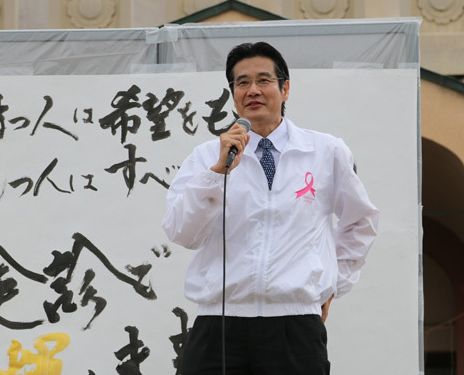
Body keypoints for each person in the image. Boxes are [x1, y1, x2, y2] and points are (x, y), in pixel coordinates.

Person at [162, 42, 379, 374]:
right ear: (233, 93)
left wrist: (334, 283)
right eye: (242, 82)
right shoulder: (207, 157)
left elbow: (360, 221)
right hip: (219, 321)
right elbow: (181, 232)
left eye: (263, 80)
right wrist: (216, 174)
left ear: (285, 89)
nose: (253, 90)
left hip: (294, 324)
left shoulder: (325, 151)